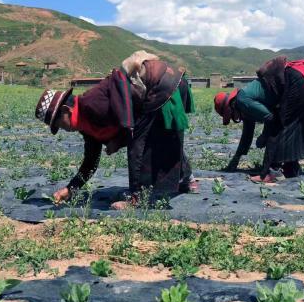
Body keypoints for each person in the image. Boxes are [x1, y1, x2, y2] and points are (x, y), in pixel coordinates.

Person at [35, 51, 197, 209]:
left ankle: (136, 198)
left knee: (140, 142)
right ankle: (188, 181)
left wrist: (120, 140)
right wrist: (71, 189)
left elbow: (130, 121)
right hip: (174, 82)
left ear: (66, 110)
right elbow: (90, 162)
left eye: (59, 123)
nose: (62, 128)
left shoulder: (91, 103)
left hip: (161, 86)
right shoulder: (87, 125)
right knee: (166, 138)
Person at [214, 56, 304, 183]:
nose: (235, 119)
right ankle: (292, 168)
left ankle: (272, 171)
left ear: (230, 107)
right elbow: (247, 135)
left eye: (231, 117)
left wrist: (264, 136)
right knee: (290, 125)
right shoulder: (243, 103)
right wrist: (236, 158)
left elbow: (271, 118)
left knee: (279, 126)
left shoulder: (243, 100)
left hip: (298, 78)